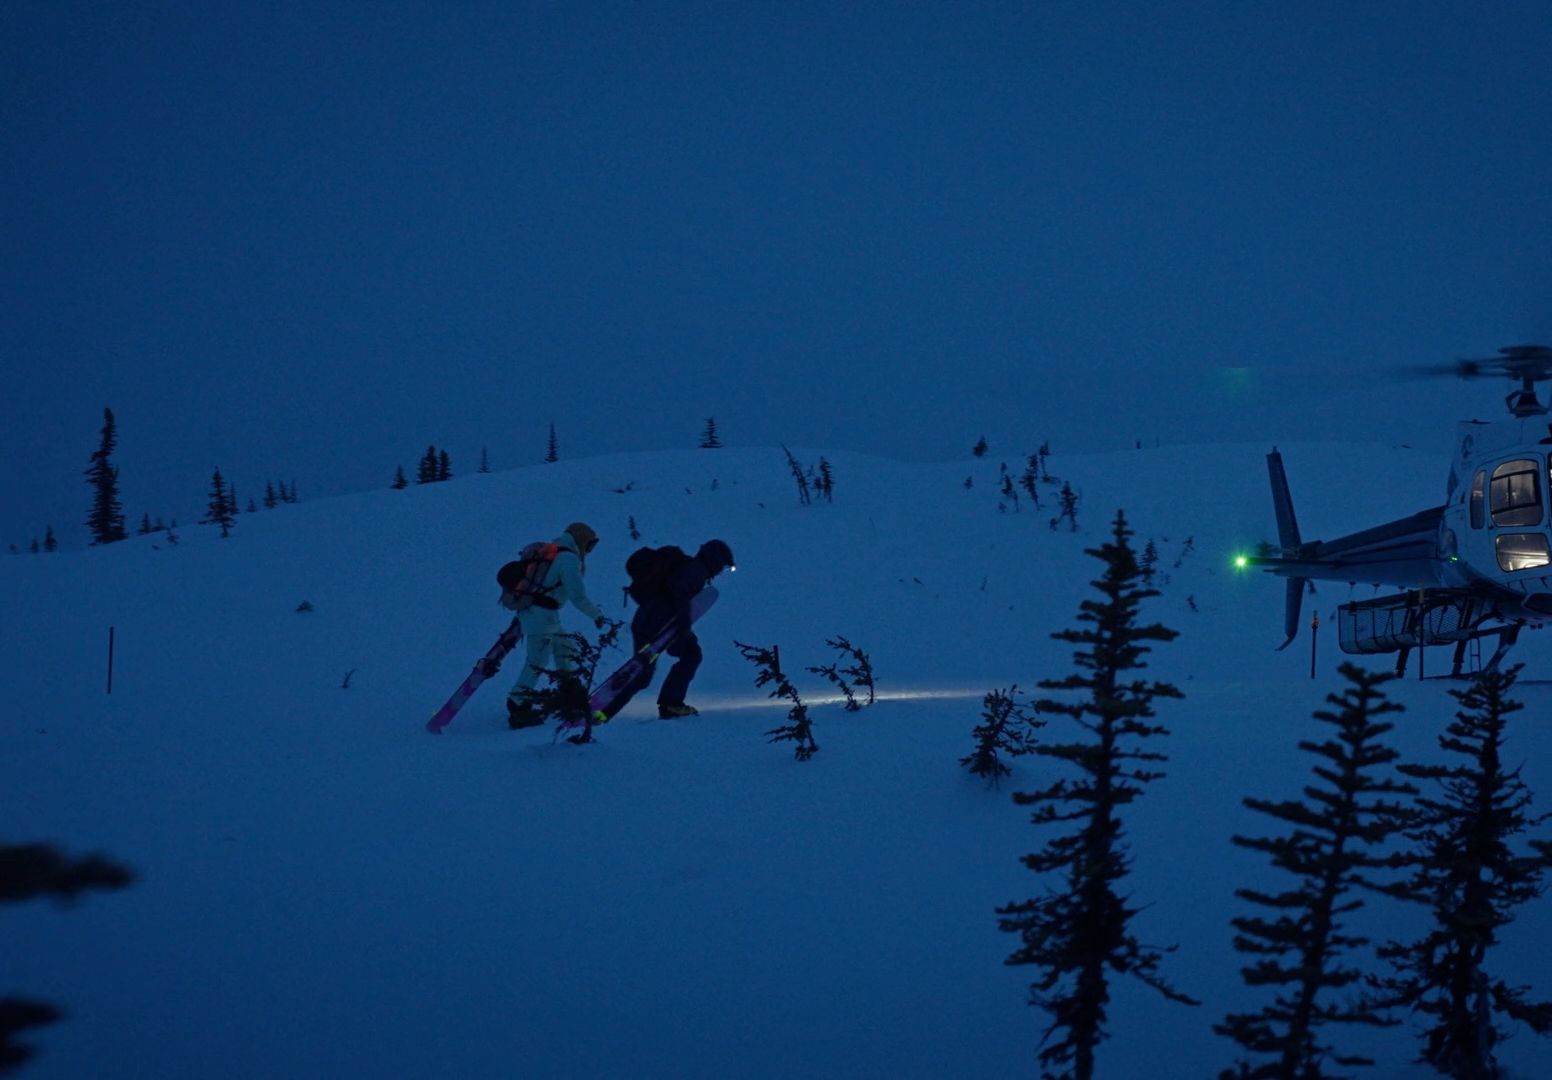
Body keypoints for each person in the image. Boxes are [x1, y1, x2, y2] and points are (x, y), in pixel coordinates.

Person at [602, 538, 734, 722]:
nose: (721, 571)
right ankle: (671, 704)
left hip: (647, 621)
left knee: (641, 673)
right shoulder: (695, 570)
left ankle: (601, 711)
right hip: (661, 625)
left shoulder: (688, 566)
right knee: (691, 655)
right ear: (716, 559)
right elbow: (678, 593)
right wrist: (683, 624)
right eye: (725, 566)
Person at [506, 522, 607, 729]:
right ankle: (517, 703)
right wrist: (597, 615)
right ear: (580, 540)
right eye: (589, 544)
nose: (589, 550)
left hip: (544, 614)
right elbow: (577, 596)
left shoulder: (556, 552)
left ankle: (569, 692)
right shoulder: (568, 559)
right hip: (541, 615)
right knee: (537, 661)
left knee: (564, 648)